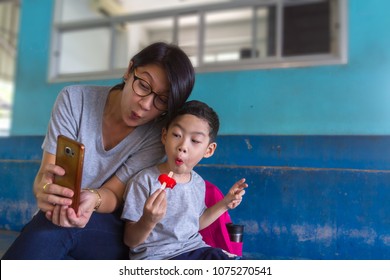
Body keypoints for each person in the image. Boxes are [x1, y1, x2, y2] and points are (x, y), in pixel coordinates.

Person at [2, 42, 195, 260]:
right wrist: (44, 190)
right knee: (57, 221)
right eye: (143, 86)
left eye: (162, 100)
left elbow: (113, 193)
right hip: (56, 216)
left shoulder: (155, 136)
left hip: (113, 230)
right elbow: (46, 175)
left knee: (61, 226)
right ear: (129, 71)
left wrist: (92, 199)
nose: (146, 105)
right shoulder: (75, 101)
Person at [122, 100, 248, 260]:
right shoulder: (144, 181)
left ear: (208, 150)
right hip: (159, 258)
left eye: (195, 141)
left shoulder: (198, 183)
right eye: (176, 135)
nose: (183, 146)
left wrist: (225, 204)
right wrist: (148, 220)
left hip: (196, 250)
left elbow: (196, 224)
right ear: (164, 136)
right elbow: (130, 240)